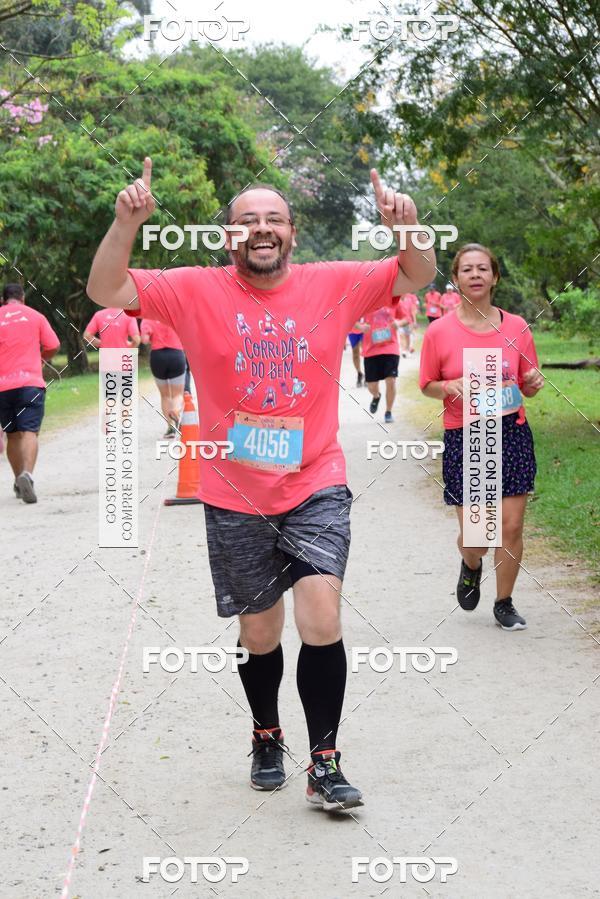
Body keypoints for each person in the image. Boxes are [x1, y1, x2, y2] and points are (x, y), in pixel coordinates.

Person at [87, 159, 435, 812]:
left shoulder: (333, 282)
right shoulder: (192, 289)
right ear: (229, 237)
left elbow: (416, 272)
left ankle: (325, 759)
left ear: (293, 234)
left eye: (274, 219)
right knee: (260, 633)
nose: (262, 229)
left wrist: (408, 228)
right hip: (234, 492)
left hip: (316, 479)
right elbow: (106, 289)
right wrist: (125, 222)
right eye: (247, 220)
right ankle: (266, 732)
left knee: (321, 613)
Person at [419, 244, 544, 630]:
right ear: (455, 279)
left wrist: (534, 382)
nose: (475, 275)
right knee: (478, 534)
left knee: (511, 526)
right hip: (468, 434)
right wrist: (449, 385)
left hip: (512, 432)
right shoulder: (439, 331)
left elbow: (530, 381)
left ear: (494, 277)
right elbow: (426, 385)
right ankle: (471, 564)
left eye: (483, 269)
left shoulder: (517, 327)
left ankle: (504, 602)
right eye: (467, 270)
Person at [0, 283, 60, 503]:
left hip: (3, 387)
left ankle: (18, 481)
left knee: (12, 434)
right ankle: (27, 475)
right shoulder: (35, 316)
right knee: (29, 432)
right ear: (22, 297)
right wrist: (41, 357)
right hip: (30, 383)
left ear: (3, 299)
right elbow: (53, 344)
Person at [354, 304, 402, 423]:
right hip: (371, 350)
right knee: (371, 386)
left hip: (391, 347)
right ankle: (376, 396)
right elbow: (350, 318)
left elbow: (406, 318)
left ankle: (388, 412)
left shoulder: (394, 300)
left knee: (391, 380)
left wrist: (399, 324)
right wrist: (360, 327)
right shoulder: (366, 300)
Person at [140, 318, 186, 437]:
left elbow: (144, 340)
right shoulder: (173, 315)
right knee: (178, 394)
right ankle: (176, 411)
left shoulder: (147, 318)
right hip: (176, 355)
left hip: (158, 357)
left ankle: (170, 428)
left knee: (165, 395)